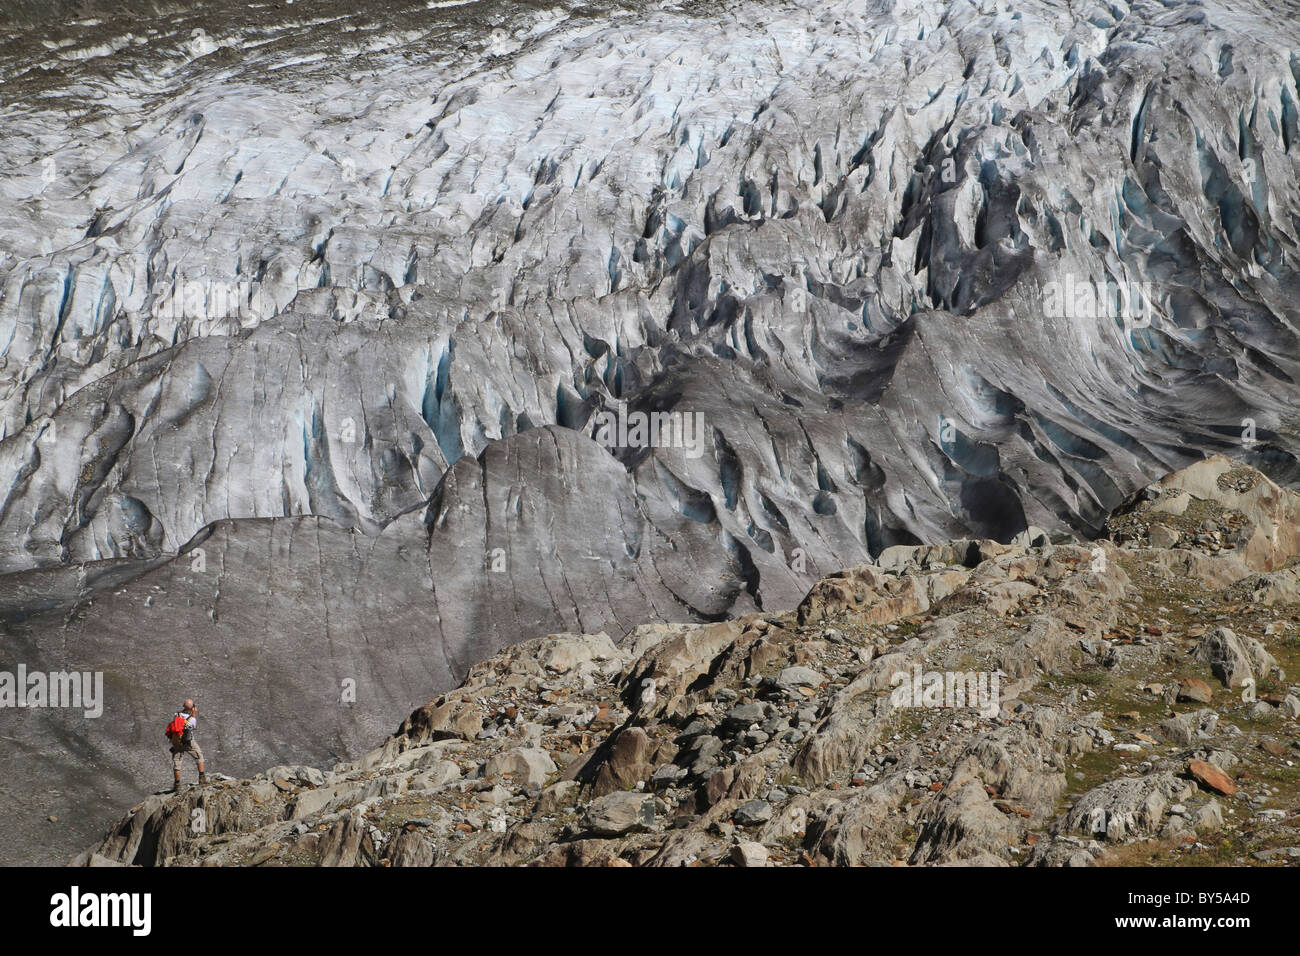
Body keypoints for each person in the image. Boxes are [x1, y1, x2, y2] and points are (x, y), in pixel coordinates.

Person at [168, 698, 207, 792]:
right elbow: (193, 727)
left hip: (177, 742)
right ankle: (202, 778)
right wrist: (194, 715)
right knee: (199, 756)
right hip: (188, 742)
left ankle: (177, 785)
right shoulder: (192, 719)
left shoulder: (176, 715)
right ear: (192, 708)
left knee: (177, 762)